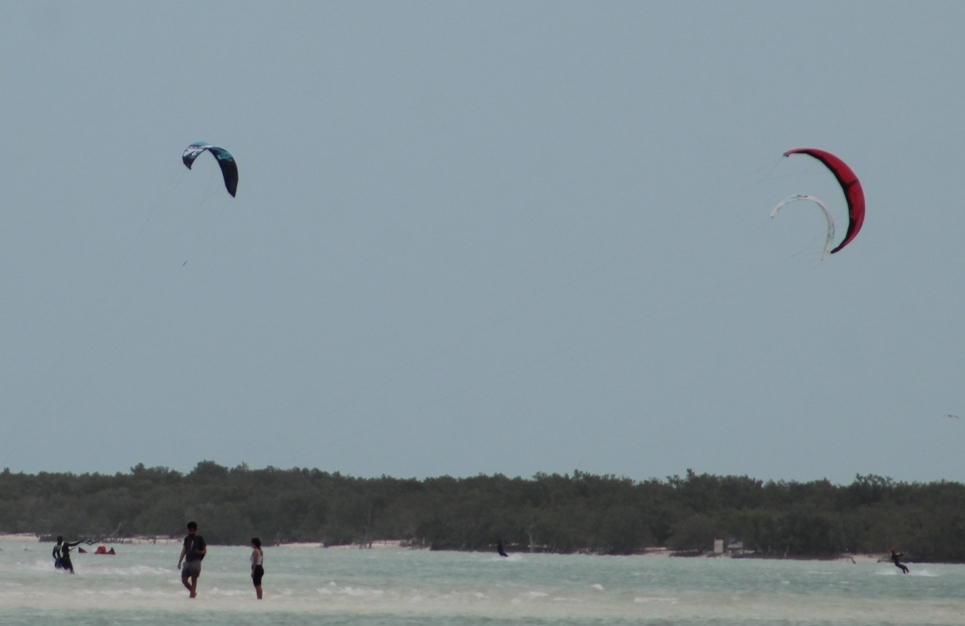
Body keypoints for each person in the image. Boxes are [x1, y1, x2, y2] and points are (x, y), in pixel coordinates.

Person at [177, 521, 207, 597]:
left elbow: (204, 551)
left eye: (193, 529)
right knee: (184, 580)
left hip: (196, 561)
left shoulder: (200, 538)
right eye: (190, 529)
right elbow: (184, 550)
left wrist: (198, 552)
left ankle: (192, 596)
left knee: (194, 580)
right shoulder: (187, 538)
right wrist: (180, 561)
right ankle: (193, 593)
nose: (191, 530)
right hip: (187, 561)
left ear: (195, 529)